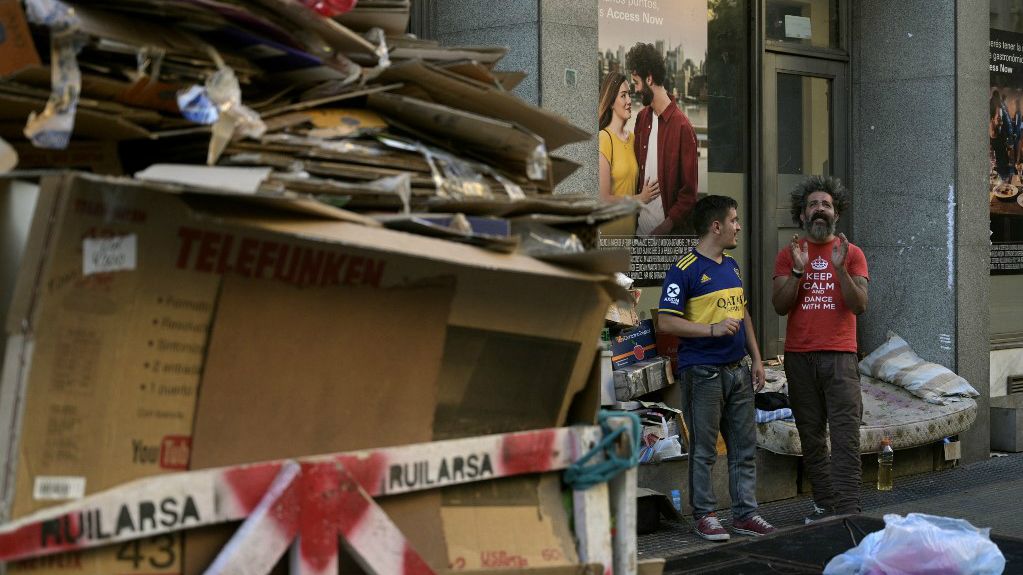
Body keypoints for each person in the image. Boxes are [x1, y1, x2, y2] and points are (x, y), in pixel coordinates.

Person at [657, 195, 775, 541]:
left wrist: (756, 358)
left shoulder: (732, 266)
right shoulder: (684, 269)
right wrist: (711, 329)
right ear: (716, 226)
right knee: (705, 451)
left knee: (744, 447)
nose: (738, 226)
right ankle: (705, 515)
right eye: (734, 220)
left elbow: (743, 314)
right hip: (703, 373)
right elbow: (665, 322)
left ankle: (745, 514)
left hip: (738, 371)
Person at [771, 175, 869, 522]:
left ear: (836, 213)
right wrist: (798, 271)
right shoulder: (790, 254)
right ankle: (826, 505)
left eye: (825, 204)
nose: (819, 209)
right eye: (812, 204)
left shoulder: (852, 253)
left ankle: (848, 510)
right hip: (799, 357)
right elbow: (780, 306)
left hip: (841, 357)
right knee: (811, 438)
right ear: (801, 215)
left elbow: (859, 305)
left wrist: (840, 268)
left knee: (845, 439)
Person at [626, 42, 699, 236]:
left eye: (636, 82)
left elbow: (689, 195)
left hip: (666, 242)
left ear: (649, 78)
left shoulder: (683, 127)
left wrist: (662, 230)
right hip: (639, 236)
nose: (636, 89)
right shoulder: (642, 118)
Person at [598, 71, 660, 206]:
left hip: (632, 226)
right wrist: (640, 198)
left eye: (629, 95)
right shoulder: (604, 138)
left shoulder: (633, 139)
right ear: (611, 103)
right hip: (610, 226)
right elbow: (603, 199)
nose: (629, 101)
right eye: (623, 96)